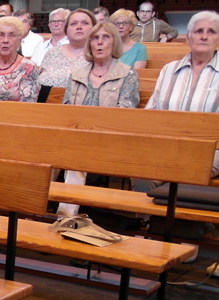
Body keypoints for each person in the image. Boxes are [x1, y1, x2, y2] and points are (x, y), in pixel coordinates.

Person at [58, 22, 140, 216]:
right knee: (46, 154)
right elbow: (66, 109)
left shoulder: (127, 74)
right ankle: (28, 211)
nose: (100, 43)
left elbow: (125, 113)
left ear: (115, 43)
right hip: (76, 136)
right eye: (95, 38)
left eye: (106, 37)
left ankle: (64, 217)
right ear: (90, 44)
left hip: (109, 139)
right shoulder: (77, 74)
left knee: (75, 160)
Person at [136, 11, 219, 193]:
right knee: (143, 174)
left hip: (211, 150)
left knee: (188, 171)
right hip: (166, 145)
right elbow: (152, 111)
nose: (204, 36)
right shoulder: (169, 69)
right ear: (188, 38)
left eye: (211, 32)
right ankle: (144, 221)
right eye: (199, 31)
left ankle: (184, 221)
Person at [38, 9, 96, 102]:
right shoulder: (53, 52)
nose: (79, 27)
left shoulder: (98, 55)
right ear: (66, 29)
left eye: (85, 23)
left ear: (94, 28)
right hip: (43, 106)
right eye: (73, 23)